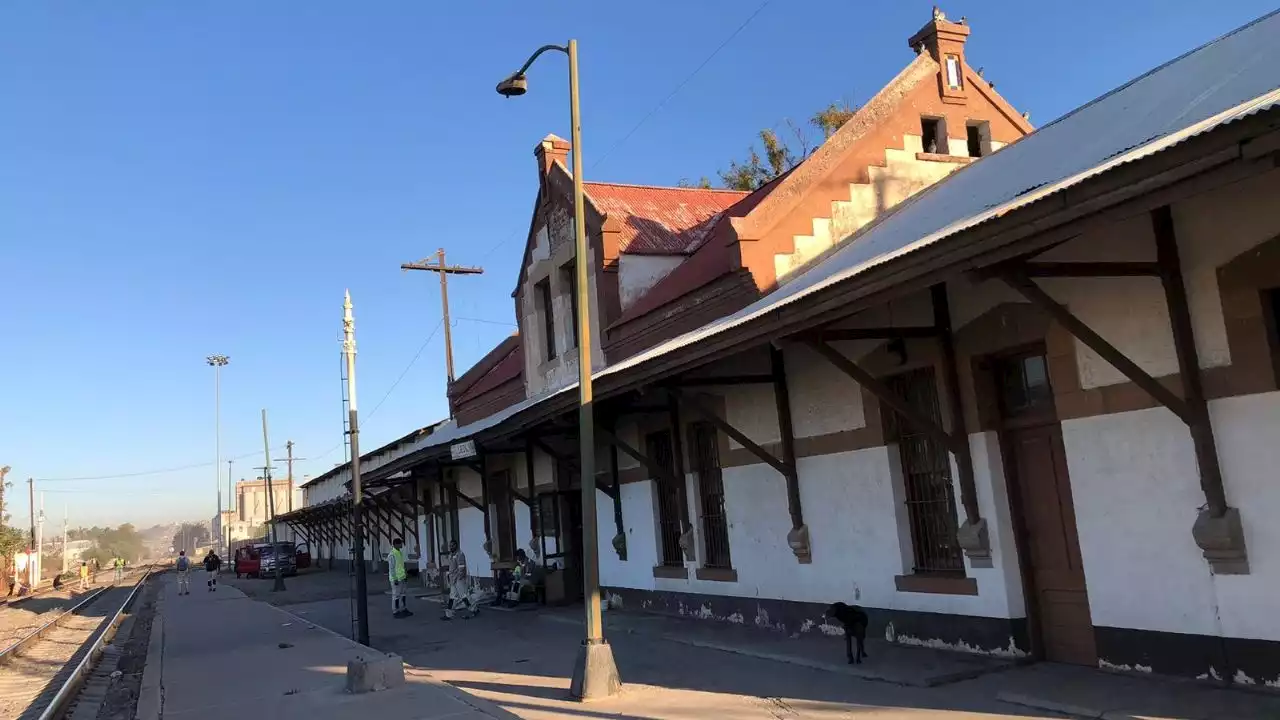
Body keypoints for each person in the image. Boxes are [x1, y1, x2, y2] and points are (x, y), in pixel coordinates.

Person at [442, 541, 475, 620]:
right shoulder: (451, 555)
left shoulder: (460, 554)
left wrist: (459, 578)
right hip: (453, 579)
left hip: (458, 579)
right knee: (452, 597)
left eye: (452, 546)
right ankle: (449, 614)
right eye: (450, 546)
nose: (451, 547)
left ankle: (474, 609)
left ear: (456, 546)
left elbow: (461, 567)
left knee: (464, 596)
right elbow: (451, 567)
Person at [388, 538, 411, 618]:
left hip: (402, 577)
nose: (401, 545)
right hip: (396, 579)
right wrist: (394, 579)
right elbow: (391, 568)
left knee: (403, 594)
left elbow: (402, 565)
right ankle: (395, 611)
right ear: (396, 544)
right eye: (400, 544)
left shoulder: (399, 553)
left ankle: (403, 609)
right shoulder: (392, 554)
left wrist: (405, 574)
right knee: (396, 595)